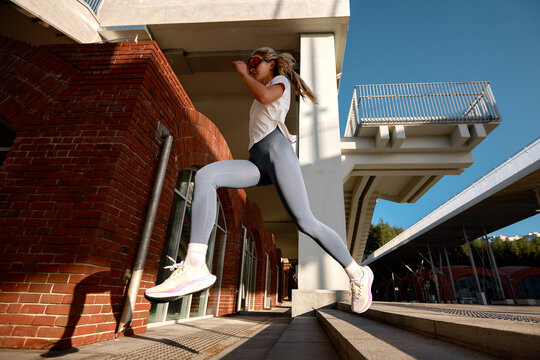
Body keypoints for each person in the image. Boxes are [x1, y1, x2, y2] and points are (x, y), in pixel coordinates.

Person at [144, 47, 373, 314]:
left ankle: (358, 274)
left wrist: (242, 73)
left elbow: (265, 97)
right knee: (207, 176)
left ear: (272, 64)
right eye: (249, 64)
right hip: (258, 162)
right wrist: (248, 73)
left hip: (278, 153)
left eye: (256, 62)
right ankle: (195, 264)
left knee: (305, 222)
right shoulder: (267, 85)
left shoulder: (281, 82)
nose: (252, 67)